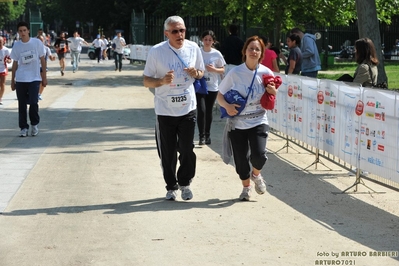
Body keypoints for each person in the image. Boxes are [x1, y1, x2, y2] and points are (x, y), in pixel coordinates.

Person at [143, 15, 205, 201]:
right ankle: (171, 186)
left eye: (182, 30)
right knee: (168, 152)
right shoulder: (157, 51)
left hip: (188, 107)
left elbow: (201, 73)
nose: (180, 35)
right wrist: (162, 81)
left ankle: (185, 183)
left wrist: (197, 73)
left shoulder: (193, 48)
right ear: (166, 34)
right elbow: (146, 80)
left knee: (187, 148)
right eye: (175, 31)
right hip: (165, 109)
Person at [217, 35, 277, 201]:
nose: (254, 51)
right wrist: (227, 106)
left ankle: (256, 175)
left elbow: (272, 97)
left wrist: (273, 93)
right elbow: (219, 95)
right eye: (251, 48)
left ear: (261, 53)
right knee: (241, 161)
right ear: (245, 51)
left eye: (257, 49)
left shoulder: (266, 72)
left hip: (259, 120)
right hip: (238, 123)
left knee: (259, 155)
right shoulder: (235, 72)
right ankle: (246, 187)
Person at [10, 21, 47, 137]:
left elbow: (42, 60)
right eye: (20, 31)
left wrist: (44, 77)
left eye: (24, 30)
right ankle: (23, 127)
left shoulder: (36, 43)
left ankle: (34, 124)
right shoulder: (17, 45)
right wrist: (13, 80)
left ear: (28, 31)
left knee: (33, 102)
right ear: (18, 32)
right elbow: (15, 63)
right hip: (21, 78)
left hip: (34, 78)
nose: (23, 33)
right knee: (22, 104)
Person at [196, 30, 226, 145]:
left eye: (210, 40)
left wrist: (214, 70)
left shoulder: (217, 54)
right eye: (205, 39)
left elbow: (222, 69)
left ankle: (207, 134)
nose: (207, 42)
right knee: (201, 110)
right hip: (200, 85)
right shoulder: (197, 52)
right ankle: (201, 136)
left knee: (208, 111)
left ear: (213, 41)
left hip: (212, 87)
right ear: (202, 40)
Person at [37, 35, 55, 100]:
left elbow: (50, 57)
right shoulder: (33, 48)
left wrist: (53, 58)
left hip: (43, 67)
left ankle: (39, 94)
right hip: (34, 67)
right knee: (35, 81)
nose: (40, 41)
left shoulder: (46, 49)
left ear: (43, 41)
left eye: (41, 40)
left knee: (42, 81)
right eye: (39, 40)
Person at [0, 37, 11, 104]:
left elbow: (10, 60)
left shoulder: (6, 50)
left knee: (2, 84)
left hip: (3, 69)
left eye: (0, 42)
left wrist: (8, 60)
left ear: (3, 42)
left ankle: (0, 97)